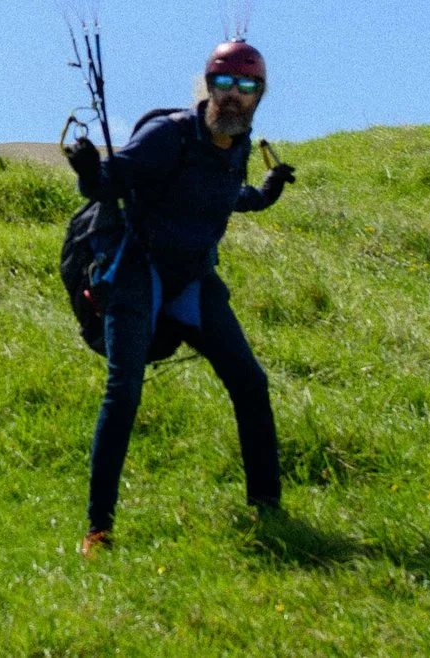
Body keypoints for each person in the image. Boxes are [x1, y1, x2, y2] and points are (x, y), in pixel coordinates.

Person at [63, 39, 295, 554]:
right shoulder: (166, 137)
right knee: (124, 390)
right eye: (225, 85)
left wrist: (265, 195)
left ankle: (269, 509)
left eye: (246, 87)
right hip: (137, 268)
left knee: (251, 383)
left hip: (192, 277)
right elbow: (108, 182)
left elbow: (217, 195)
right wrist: (85, 169)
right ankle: (98, 527)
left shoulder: (236, 146)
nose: (234, 97)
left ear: (259, 96)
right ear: (208, 86)